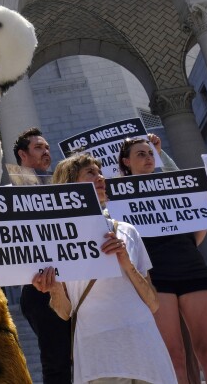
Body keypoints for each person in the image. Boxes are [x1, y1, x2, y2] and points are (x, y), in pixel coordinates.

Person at [34, 153, 176, 384]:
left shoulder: (127, 231)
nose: (101, 178)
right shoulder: (53, 242)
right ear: (70, 185)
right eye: (90, 173)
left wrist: (126, 263)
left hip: (144, 344)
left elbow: (153, 302)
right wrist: (54, 289)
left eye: (100, 172)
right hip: (99, 353)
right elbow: (63, 312)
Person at [119, 136, 207, 383]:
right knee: (173, 355)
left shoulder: (172, 185)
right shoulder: (120, 198)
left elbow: (197, 228)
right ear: (126, 162)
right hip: (157, 277)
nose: (148, 158)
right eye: (140, 154)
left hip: (192, 269)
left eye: (150, 153)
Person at [12, 128, 71, 384]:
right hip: (40, 290)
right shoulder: (9, 197)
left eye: (47, 147)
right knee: (56, 363)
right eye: (38, 148)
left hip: (73, 287)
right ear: (22, 155)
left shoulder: (66, 190)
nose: (46, 152)